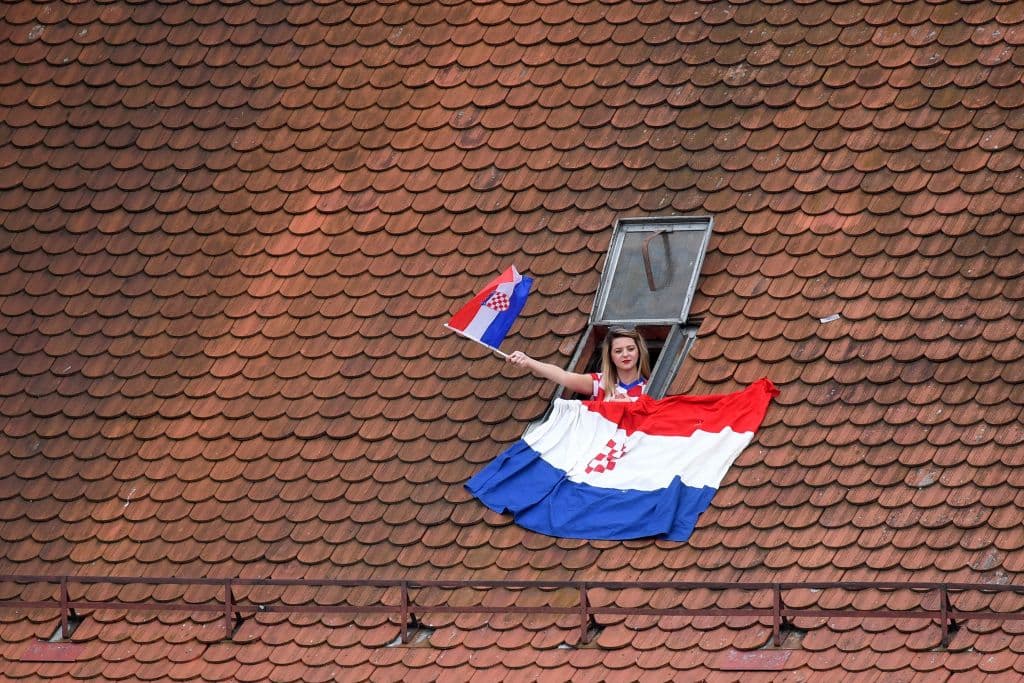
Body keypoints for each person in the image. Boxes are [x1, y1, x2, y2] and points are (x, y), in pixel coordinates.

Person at [506, 327, 651, 402]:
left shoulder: (651, 388)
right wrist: (528, 361)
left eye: (630, 349)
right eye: (618, 351)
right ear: (610, 356)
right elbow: (564, 376)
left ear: (639, 352)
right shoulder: (601, 382)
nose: (625, 354)